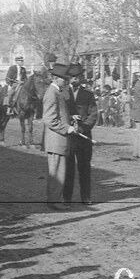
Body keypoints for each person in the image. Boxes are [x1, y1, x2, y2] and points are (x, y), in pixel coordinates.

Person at [42, 56, 75, 211]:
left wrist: (70, 119)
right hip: (57, 139)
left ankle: (54, 200)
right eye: (64, 79)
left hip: (58, 140)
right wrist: (66, 128)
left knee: (58, 171)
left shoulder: (57, 92)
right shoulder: (51, 93)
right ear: (57, 79)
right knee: (57, 172)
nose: (67, 82)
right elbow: (49, 119)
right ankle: (54, 201)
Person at [63, 63, 98, 206]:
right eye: (71, 77)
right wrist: (70, 120)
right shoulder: (63, 93)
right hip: (69, 137)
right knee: (68, 168)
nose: (74, 80)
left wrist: (83, 128)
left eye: (76, 77)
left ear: (81, 77)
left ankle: (86, 197)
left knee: (84, 167)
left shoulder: (88, 94)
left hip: (84, 138)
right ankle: (67, 198)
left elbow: (93, 114)